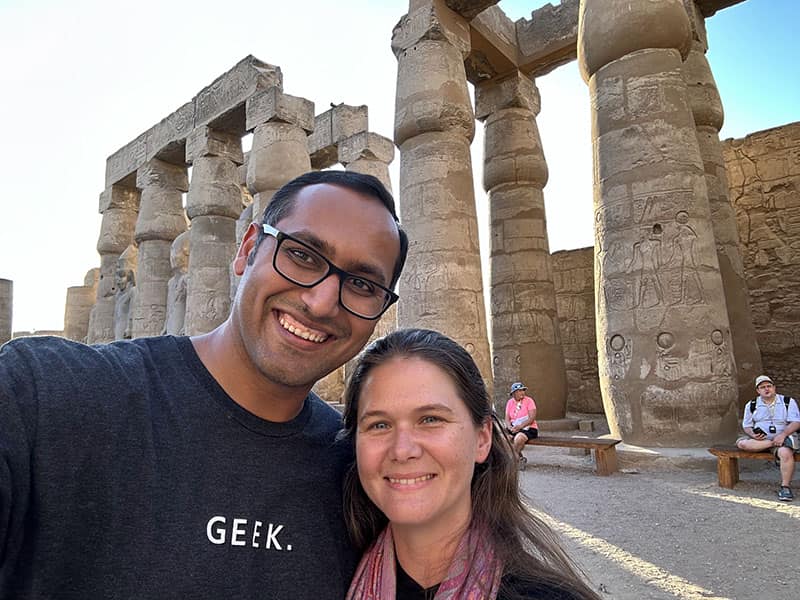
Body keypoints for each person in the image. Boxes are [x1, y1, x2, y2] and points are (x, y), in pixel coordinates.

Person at [0, 170, 408, 599]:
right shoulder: (45, 396)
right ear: (247, 249)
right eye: (302, 254)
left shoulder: (368, 476)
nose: (321, 302)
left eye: (362, 284)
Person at [340, 328, 600, 600]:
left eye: (431, 419)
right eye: (379, 424)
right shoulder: (323, 576)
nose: (402, 450)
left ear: (482, 438)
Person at [736, 375, 800, 501]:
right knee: (742, 444)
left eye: (769, 386)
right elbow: (747, 425)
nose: (766, 389)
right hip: (762, 441)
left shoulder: (787, 401)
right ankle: (773, 444)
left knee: (785, 452)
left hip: (783, 437)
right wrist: (753, 434)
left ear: (774, 388)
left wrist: (783, 435)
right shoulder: (752, 404)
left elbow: (796, 422)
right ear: (758, 391)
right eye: (762, 387)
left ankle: (785, 487)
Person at [504, 382, 538, 471]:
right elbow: (507, 418)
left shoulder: (529, 401)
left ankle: (512, 460)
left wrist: (520, 426)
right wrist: (509, 427)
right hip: (514, 427)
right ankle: (519, 459)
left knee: (518, 439)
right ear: (513, 393)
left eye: (523, 390)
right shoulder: (510, 402)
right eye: (519, 391)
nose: (522, 392)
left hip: (528, 427)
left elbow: (532, 418)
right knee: (503, 438)